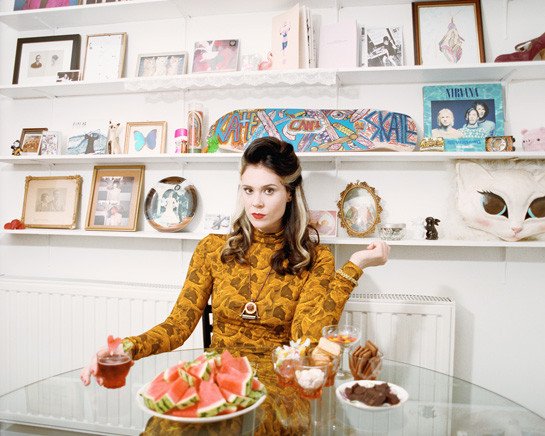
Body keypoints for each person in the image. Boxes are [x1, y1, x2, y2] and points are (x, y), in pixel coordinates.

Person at [80, 137, 390, 386]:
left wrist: (355, 265)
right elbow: (177, 326)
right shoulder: (212, 249)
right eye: (248, 190)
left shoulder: (314, 258)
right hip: (217, 379)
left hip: (278, 384)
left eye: (269, 190)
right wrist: (125, 348)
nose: (256, 202)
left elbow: (305, 339)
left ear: (289, 193)